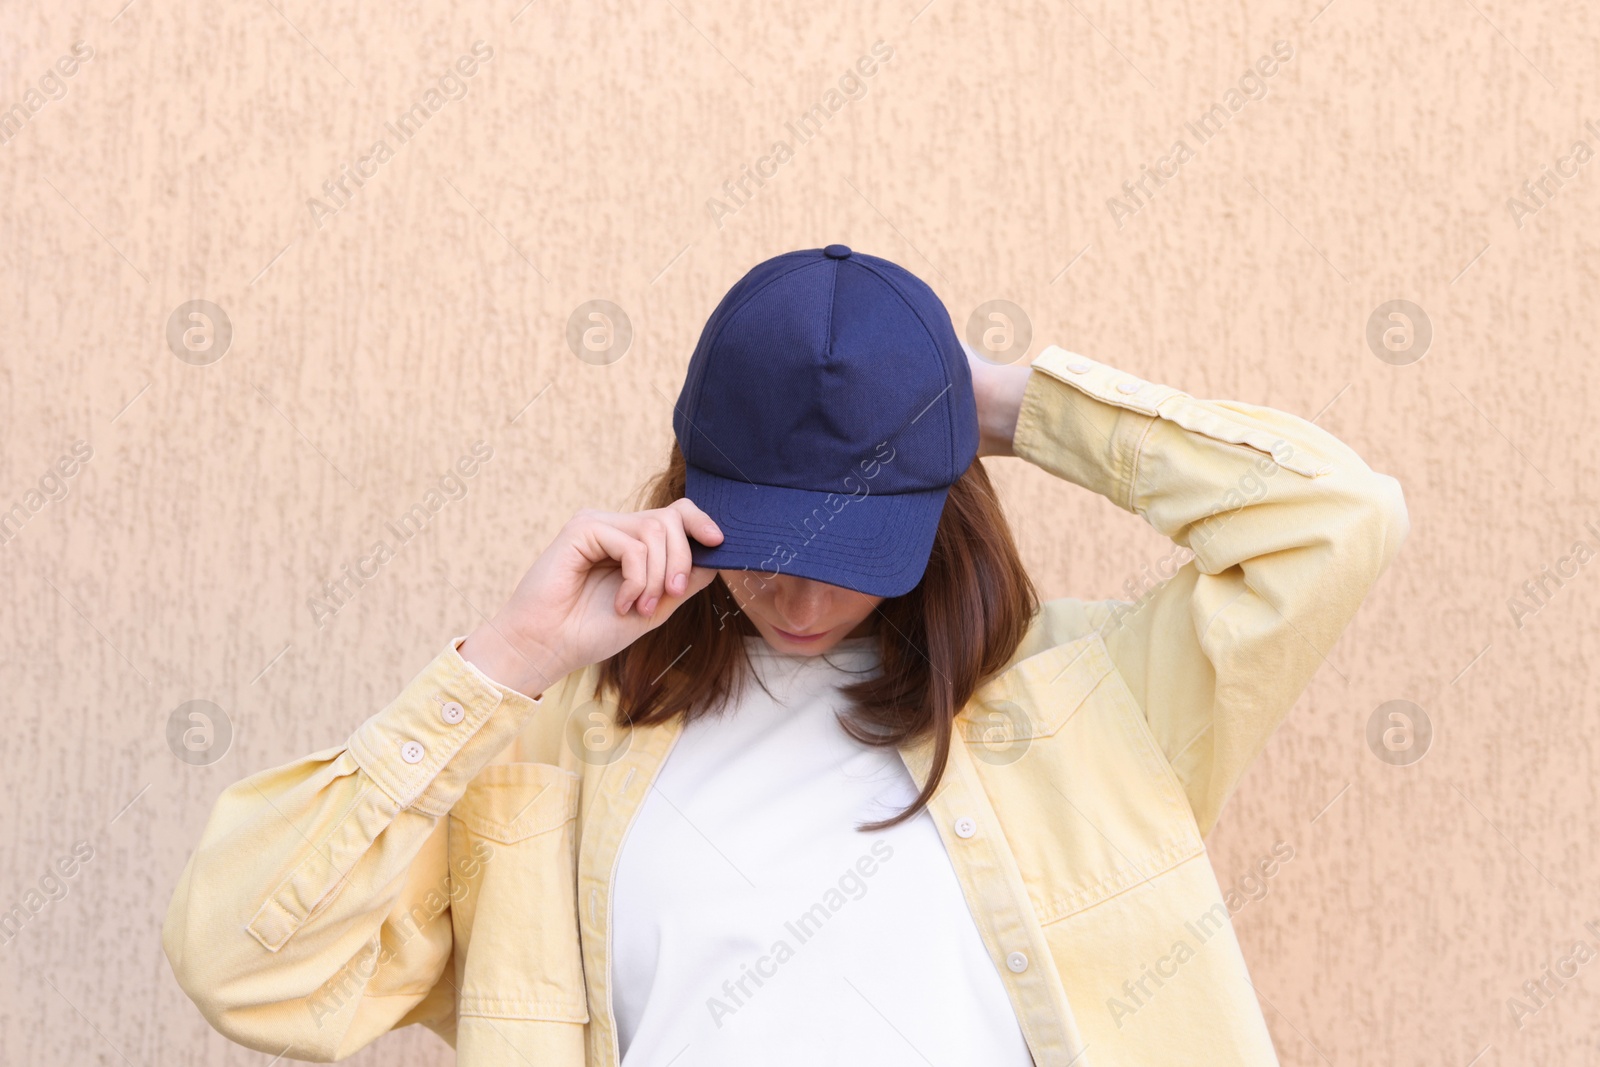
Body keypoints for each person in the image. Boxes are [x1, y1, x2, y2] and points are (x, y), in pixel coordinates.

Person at [162, 244, 1409, 1066]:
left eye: (855, 548)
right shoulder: (552, 742)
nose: (799, 590)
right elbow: (250, 969)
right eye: (763, 537)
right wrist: (506, 659)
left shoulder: (1088, 700)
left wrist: (996, 404)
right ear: (694, 491)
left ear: (939, 510)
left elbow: (1332, 520)